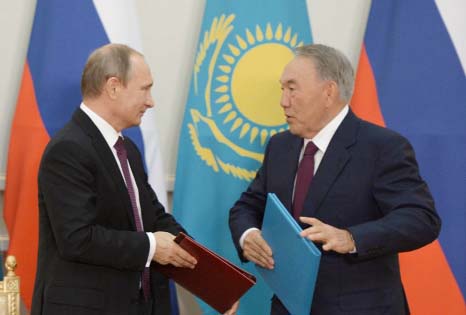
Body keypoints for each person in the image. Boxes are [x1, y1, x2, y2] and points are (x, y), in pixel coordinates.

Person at [229, 44, 441, 315]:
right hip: (287, 307)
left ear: (328, 92)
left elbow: (421, 219)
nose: (283, 101)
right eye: (282, 89)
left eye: (292, 89)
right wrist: (248, 236)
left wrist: (351, 238)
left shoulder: (383, 147)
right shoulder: (280, 146)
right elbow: (247, 207)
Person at [31, 44, 238, 315]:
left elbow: (155, 218)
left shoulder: (127, 149)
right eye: (145, 89)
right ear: (114, 87)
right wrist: (152, 246)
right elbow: (77, 238)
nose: (151, 101)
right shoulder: (68, 149)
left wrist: (214, 281)